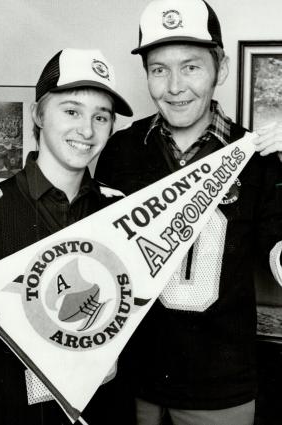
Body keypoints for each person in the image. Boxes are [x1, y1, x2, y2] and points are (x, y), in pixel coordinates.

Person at [95, 1, 282, 424]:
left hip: (221, 389)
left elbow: (276, 245)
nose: (175, 86)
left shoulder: (259, 156)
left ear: (222, 68)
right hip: (133, 378)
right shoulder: (120, 151)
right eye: (159, 69)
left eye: (191, 67)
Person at [0, 47, 136, 425]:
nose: (86, 130)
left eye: (100, 117)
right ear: (38, 114)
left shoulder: (123, 211)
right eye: (71, 111)